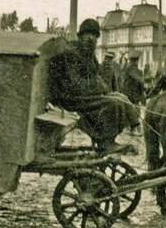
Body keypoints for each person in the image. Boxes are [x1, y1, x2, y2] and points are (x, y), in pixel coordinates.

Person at [49, 18, 139, 154]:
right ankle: (106, 143)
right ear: (80, 36)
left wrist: (102, 87)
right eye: (87, 35)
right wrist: (99, 87)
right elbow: (75, 85)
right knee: (114, 102)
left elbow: (96, 76)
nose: (91, 39)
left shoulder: (89, 55)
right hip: (70, 99)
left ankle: (128, 128)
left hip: (82, 96)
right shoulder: (71, 54)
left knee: (120, 97)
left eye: (95, 36)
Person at [122, 52, 146, 135]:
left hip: (128, 93)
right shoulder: (135, 70)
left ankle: (130, 128)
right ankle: (133, 129)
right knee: (135, 111)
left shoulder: (127, 69)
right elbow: (141, 82)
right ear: (136, 61)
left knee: (130, 110)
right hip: (133, 94)